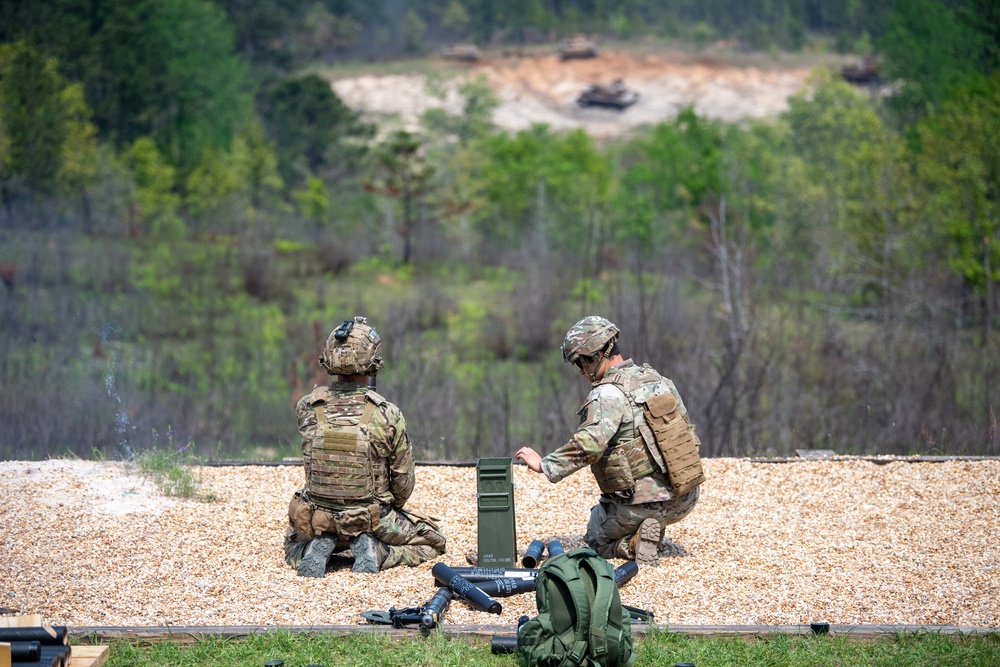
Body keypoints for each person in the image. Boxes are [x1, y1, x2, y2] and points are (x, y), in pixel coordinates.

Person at [515, 316, 704, 565]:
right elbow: (685, 431)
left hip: (644, 506)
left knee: (595, 539)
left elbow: (589, 444)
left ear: (595, 356)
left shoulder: (607, 394)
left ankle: (632, 544)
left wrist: (545, 465)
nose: (581, 372)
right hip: (686, 496)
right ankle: (651, 524)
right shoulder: (658, 380)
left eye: (579, 363)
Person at [284, 316, 446, 576]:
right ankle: (379, 551)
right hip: (371, 519)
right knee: (433, 540)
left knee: (291, 543)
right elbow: (403, 484)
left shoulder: (308, 406)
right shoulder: (387, 414)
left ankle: (320, 545)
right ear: (372, 361)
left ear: (329, 358)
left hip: (318, 518)